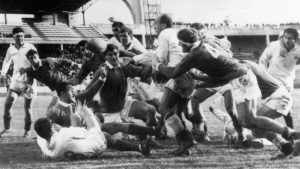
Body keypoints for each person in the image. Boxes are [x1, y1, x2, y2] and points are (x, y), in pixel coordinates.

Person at [153, 28, 298, 147]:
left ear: (185, 43)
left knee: (250, 119)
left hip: (241, 79)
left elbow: (172, 73)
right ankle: (282, 135)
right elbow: (219, 79)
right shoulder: (202, 46)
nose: (179, 46)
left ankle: (286, 132)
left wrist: (157, 64)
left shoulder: (194, 55)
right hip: (239, 78)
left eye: (180, 43)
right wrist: (199, 80)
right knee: (247, 121)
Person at [147, 14, 196, 156]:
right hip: (190, 77)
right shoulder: (176, 33)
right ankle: (184, 148)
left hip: (178, 75)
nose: (154, 28)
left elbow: (161, 57)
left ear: (162, 25)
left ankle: (186, 140)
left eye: (155, 25)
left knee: (163, 108)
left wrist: (154, 61)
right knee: (178, 113)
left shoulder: (164, 33)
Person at [259, 28, 300, 130]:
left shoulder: (298, 48)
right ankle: (278, 132)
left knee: (285, 109)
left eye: (290, 38)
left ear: (295, 39)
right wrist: (263, 76)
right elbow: (263, 59)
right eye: (285, 37)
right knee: (270, 107)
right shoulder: (274, 45)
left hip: (287, 82)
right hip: (271, 80)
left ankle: (290, 133)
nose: (287, 40)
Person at [0, 27, 37, 138]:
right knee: (7, 103)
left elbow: (37, 63)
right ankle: (7, 129)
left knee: (28, 107)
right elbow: (6, 61)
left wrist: (29, 73)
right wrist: (3, 74)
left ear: (23, 36)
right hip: (16, 80)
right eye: (17, 36)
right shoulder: (10, 49)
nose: (20, 38)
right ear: (13, 37)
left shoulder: (30, 47)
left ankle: (27, 131)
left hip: (29, 81)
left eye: (21, 36)